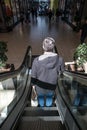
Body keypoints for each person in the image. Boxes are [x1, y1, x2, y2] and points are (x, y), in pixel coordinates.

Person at [31, 37, 65, 107]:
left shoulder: (36, 60)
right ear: (53, 47)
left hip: (40, 85)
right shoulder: (60, 59)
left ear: (43, 47)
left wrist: (33, 85)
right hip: (52, 85)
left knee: (40, 97)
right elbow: (62, 71)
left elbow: (33, 75)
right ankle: (49, 106)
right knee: (49, 97)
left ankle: (42, 107)